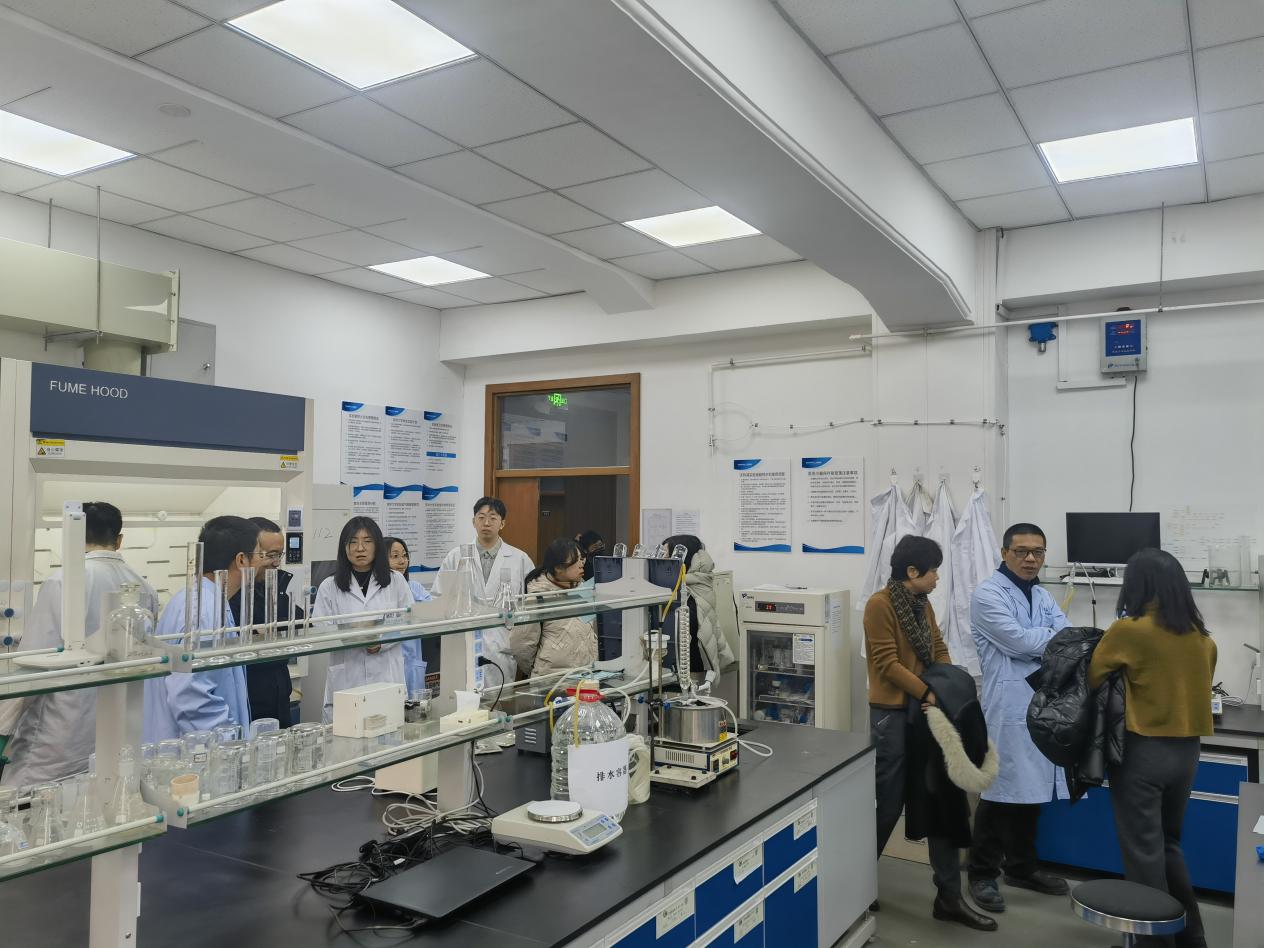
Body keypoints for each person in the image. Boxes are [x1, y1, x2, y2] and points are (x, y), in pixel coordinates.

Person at [865, 535, 996, 932]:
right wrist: (929, 692)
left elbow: (938, 649)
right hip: (892, 716)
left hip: (926, 712)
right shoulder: (879, 605)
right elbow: (886, 664)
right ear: (912, 571)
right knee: (887, 805)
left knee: (941, 800)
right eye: (933, 570)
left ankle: (949, 898)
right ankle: (853, 886)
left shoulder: (922, 604)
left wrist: (944, 687)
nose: (938, 578)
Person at [1088, 549, 1216, 948]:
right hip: (1187, 754)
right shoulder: (1203, 638)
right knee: (1168, 845)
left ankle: (1153, 944)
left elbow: (1093, 678)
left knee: (1143, 855)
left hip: (1143, 752)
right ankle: (1191, 937)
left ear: (1137, 585)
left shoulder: (1129, 631)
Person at [1, 502, 160, 787]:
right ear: (119, 540)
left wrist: (3, 728)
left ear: (73, 536)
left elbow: (32, 663)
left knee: (31, 806)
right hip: (113, 732)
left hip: (57, 737)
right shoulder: (144, 588)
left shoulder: (61, 581)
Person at [967, 522, 1070, 913]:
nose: (1030, 558)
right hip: (1007, 705)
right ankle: (981, 873)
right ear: (1004, 553)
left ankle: (1021, 867)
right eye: (1022, 551)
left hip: (1042, 703)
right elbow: (1018, 642)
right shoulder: (987, 594)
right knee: (999, 791)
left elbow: (1067, 639)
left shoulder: (1042, 594)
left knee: (1030, 790)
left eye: (1038, 552)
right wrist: (1045, 638)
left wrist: (1040, 639)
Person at [143, 517, 256, 742]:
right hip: (198, 750)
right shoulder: (204, 609)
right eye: (261, 555)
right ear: (242, 560)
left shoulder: (200, 600)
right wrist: (230, 742)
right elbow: (189, 696)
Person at [314, 517, 414, 722]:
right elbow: (320, 628)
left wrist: (382, 642)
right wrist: (353, 637)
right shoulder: (329, 586)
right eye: (353, 542)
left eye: (367, 541)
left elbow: (409, 622)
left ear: (377, 545)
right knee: (346, 735)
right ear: (344, 547)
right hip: (347, 678)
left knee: (388, 733)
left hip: (387, 676)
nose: (360, 548)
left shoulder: (396, 581)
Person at [431, 496, 534, 683]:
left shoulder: (520, 559)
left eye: (493, 518)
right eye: (481, 517)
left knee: (499, 698)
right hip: (462, 643)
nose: (486, 523)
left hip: (501, 644)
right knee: (463, 696)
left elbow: (530, 605)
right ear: (473, 521)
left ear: (502, 523)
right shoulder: (455, 556)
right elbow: (438, 596)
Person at [230, 518, 297, 727]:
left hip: (279, 697)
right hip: (248, 703)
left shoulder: (276, 587)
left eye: (280, 555)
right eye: (270, 555)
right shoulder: (230, 596)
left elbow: (302, 625)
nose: (276, 563)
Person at [511, 538, 597, 678]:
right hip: (551, 681)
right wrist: (540, 669)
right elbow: (521, 646)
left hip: (586, 676)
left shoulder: (584, 591)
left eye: (582, 559)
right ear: (558, 567)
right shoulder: (538, 598)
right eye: (575, 561)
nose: (581, 564)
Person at [661, 535, 735, 685]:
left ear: (683, 558)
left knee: (692, 697)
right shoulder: (689, 582)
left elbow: (691, 624)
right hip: (681, 660)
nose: (662, 559)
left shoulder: (693, 585)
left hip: (692, 664)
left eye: (666, 555)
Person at [384, 536, 434, 696]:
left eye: (404, 556)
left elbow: (434, 612)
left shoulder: (414, 587)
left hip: (412, 664)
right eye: (395, 556)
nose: (402, 561)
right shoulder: (378, 593)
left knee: (414, 707)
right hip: (386, 665)